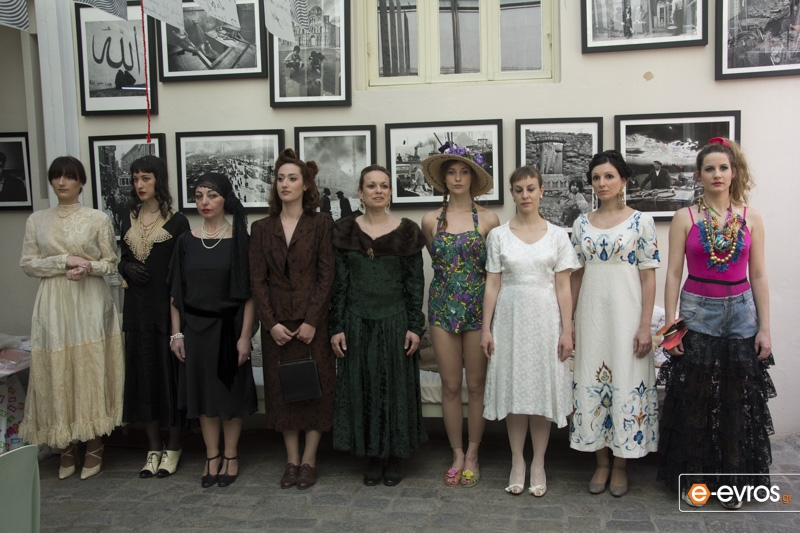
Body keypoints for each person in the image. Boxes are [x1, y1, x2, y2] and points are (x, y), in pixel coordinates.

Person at [657, 138, 775, 509]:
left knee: (736, 400)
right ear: (699, 175)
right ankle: (696, 482)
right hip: (697, 312)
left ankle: (733, 483)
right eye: (709, 168)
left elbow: (759, 275)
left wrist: (765, 328)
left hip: (741, 313)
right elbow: (672, 273)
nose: (717, 174)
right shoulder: (685, 218)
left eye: (723, 167)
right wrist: (672, 327)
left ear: (733, 172)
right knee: (696, 397)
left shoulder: (751, 217)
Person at [19, 156, 124, 480]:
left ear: (81, 182)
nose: (61, 182)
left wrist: (88, 266)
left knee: (89, 366)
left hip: (89, 299)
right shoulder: (37, 220)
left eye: (68, 177)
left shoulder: (97, 218)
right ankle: (65, 444)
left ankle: (94, 443)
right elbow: (28, 263)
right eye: (56, 177)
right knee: (58, 368)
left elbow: (111, 262)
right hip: (53, 301)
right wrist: (65, 260)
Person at [481, 166, 579, 497]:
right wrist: (486, 329)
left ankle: (538, 462)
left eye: (531, 188)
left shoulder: (558, 236)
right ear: (512, 193)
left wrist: (567, 330)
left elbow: (564, 287)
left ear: (541, 191)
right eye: (519, 189)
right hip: (509, 320)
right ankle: (516, 461)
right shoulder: (498, 236)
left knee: (539, 392)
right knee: (515, 392)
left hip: (545, 321)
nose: (525, 195)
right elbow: (492, 284)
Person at [570, 150, 660, 497]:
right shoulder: (581, 224)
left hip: (627, 317)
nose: (602, 183)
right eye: (596, 177)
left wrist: (645, 326)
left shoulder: (642, 222)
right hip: (591, 317)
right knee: (593, 380)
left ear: (623, 180)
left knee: (625, 380)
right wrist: (569, 322)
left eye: (609, 176)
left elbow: (648, 278)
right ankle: (601, 462)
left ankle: (621, 463)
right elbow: (575, 276)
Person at [331, 165, 427, 487]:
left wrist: (414, 326)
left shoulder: (407, 232)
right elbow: (339, 284)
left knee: (394, 389)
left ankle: (394, 455)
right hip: (356, 322)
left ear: (390, 192)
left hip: (395, 322)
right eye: (371, 186)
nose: (378, 191)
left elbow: (415, 284)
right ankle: (372, 455)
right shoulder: (345, 231)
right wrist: (336, 326)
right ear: (360, 192)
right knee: (365, 388)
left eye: (384, 185)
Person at [250, 149, 336, 490]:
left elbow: (326, 276)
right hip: (277, 326)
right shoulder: (261, 228)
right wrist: (270, 324)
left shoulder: (322, 224)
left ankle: (310, 460)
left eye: (292, 178)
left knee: (316, 390)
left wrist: (313, 320)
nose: (284, 184)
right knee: (283, 391)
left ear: (306, 185)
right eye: (280, 178)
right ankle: (291, 460)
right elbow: (257, 281)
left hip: (313, 324)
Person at [168, 173, 257, 489]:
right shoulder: (186, 241)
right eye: (198, 196)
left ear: (225, 199)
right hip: (195, 331)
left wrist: (245, 337)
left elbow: (249, 296)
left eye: (212, 195)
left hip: (229, 330)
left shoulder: (241, 240)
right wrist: (177, 334)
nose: (204, 202)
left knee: (229, 396)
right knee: (203, 395)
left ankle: (231, 455)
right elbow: (176, 293)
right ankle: (211, 455)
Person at [420, 142, 500, 488]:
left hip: (478, 308)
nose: (457, 177)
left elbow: (495, 271)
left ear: (473, 177)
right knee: (450, 385)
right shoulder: (429, 220)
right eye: (451, 172)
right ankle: (456, 453)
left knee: (477, 386)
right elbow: (436, 260)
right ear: (443, 178)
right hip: (441, 307)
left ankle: (473, 453)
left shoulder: (489, 219)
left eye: (464, 171)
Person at [119, 156, 190, 478]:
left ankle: (173, 446)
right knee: (143, 377)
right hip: (136, 312)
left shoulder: (177, 222)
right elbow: (121, 256)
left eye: (145, 178)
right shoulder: (127, 218)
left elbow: (182, 274)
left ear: (158, 180)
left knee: (169, 380)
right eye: (135, 178)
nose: (140, 185)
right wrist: (125, 266)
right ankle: (152, 447)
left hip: (166, 312)